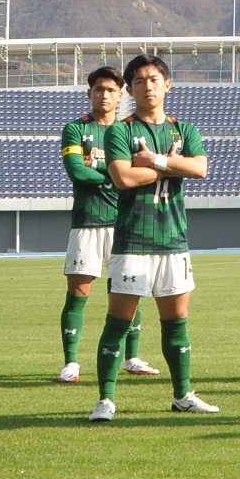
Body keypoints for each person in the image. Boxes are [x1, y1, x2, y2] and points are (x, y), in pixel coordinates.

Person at [92, 54, 216, 422]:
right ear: (129, 89)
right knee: (118, 320)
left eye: (154, 79)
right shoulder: (120, 130)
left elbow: (201, 168)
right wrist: (171, 166)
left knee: (177, 320)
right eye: (140, 81)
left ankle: (183, 395)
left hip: (174, 240)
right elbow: (123, 178)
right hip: (133, 240)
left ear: (167, 84)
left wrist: (156, 162)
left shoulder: (185, 129)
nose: (148, 86)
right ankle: (106, 399)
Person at [57, 67, 158, 384]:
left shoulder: (131, 131)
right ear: (90, 93)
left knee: (130, 290)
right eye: (99, 89)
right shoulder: (75, 130)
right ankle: (71, 362)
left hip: (125, 222)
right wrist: (117, 173)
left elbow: (137, 174)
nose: (104, 95)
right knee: (78, 292)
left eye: (111, 90)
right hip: (87, 221)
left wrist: (97, 165)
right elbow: (77, 172)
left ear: (121, 94)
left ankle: (133, 358)